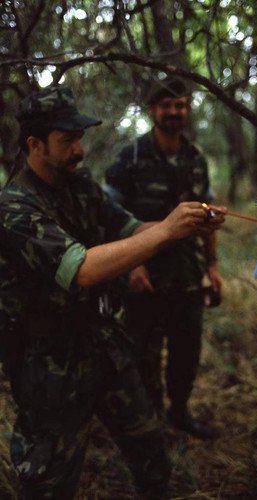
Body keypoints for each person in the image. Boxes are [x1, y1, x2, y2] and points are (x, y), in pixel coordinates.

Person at [0, 86, 225, 500]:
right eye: (68, 140)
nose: (80, 149)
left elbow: (127, 226)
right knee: (49, 479)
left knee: (149, 447)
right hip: (48, 361)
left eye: (79, 138)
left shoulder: (78, 184)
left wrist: (183, 225)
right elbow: (81, 269)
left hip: (103, 340)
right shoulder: (14, 207)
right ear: (34, 144)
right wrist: (167, 230)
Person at [106, 77, 223, 440]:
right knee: (144, 357)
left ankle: (180, 414)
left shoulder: (196, 158)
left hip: (188, 277)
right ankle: (150, 425)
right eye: (167, 105)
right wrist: (133, 266)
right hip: (146, 279)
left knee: (186, 355)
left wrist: (213, 266)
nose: (175, 112)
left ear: (188, 109)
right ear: (153, 109)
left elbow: (207, 216)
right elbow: (109, 217)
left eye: (181, 105)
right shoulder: (131, 158)